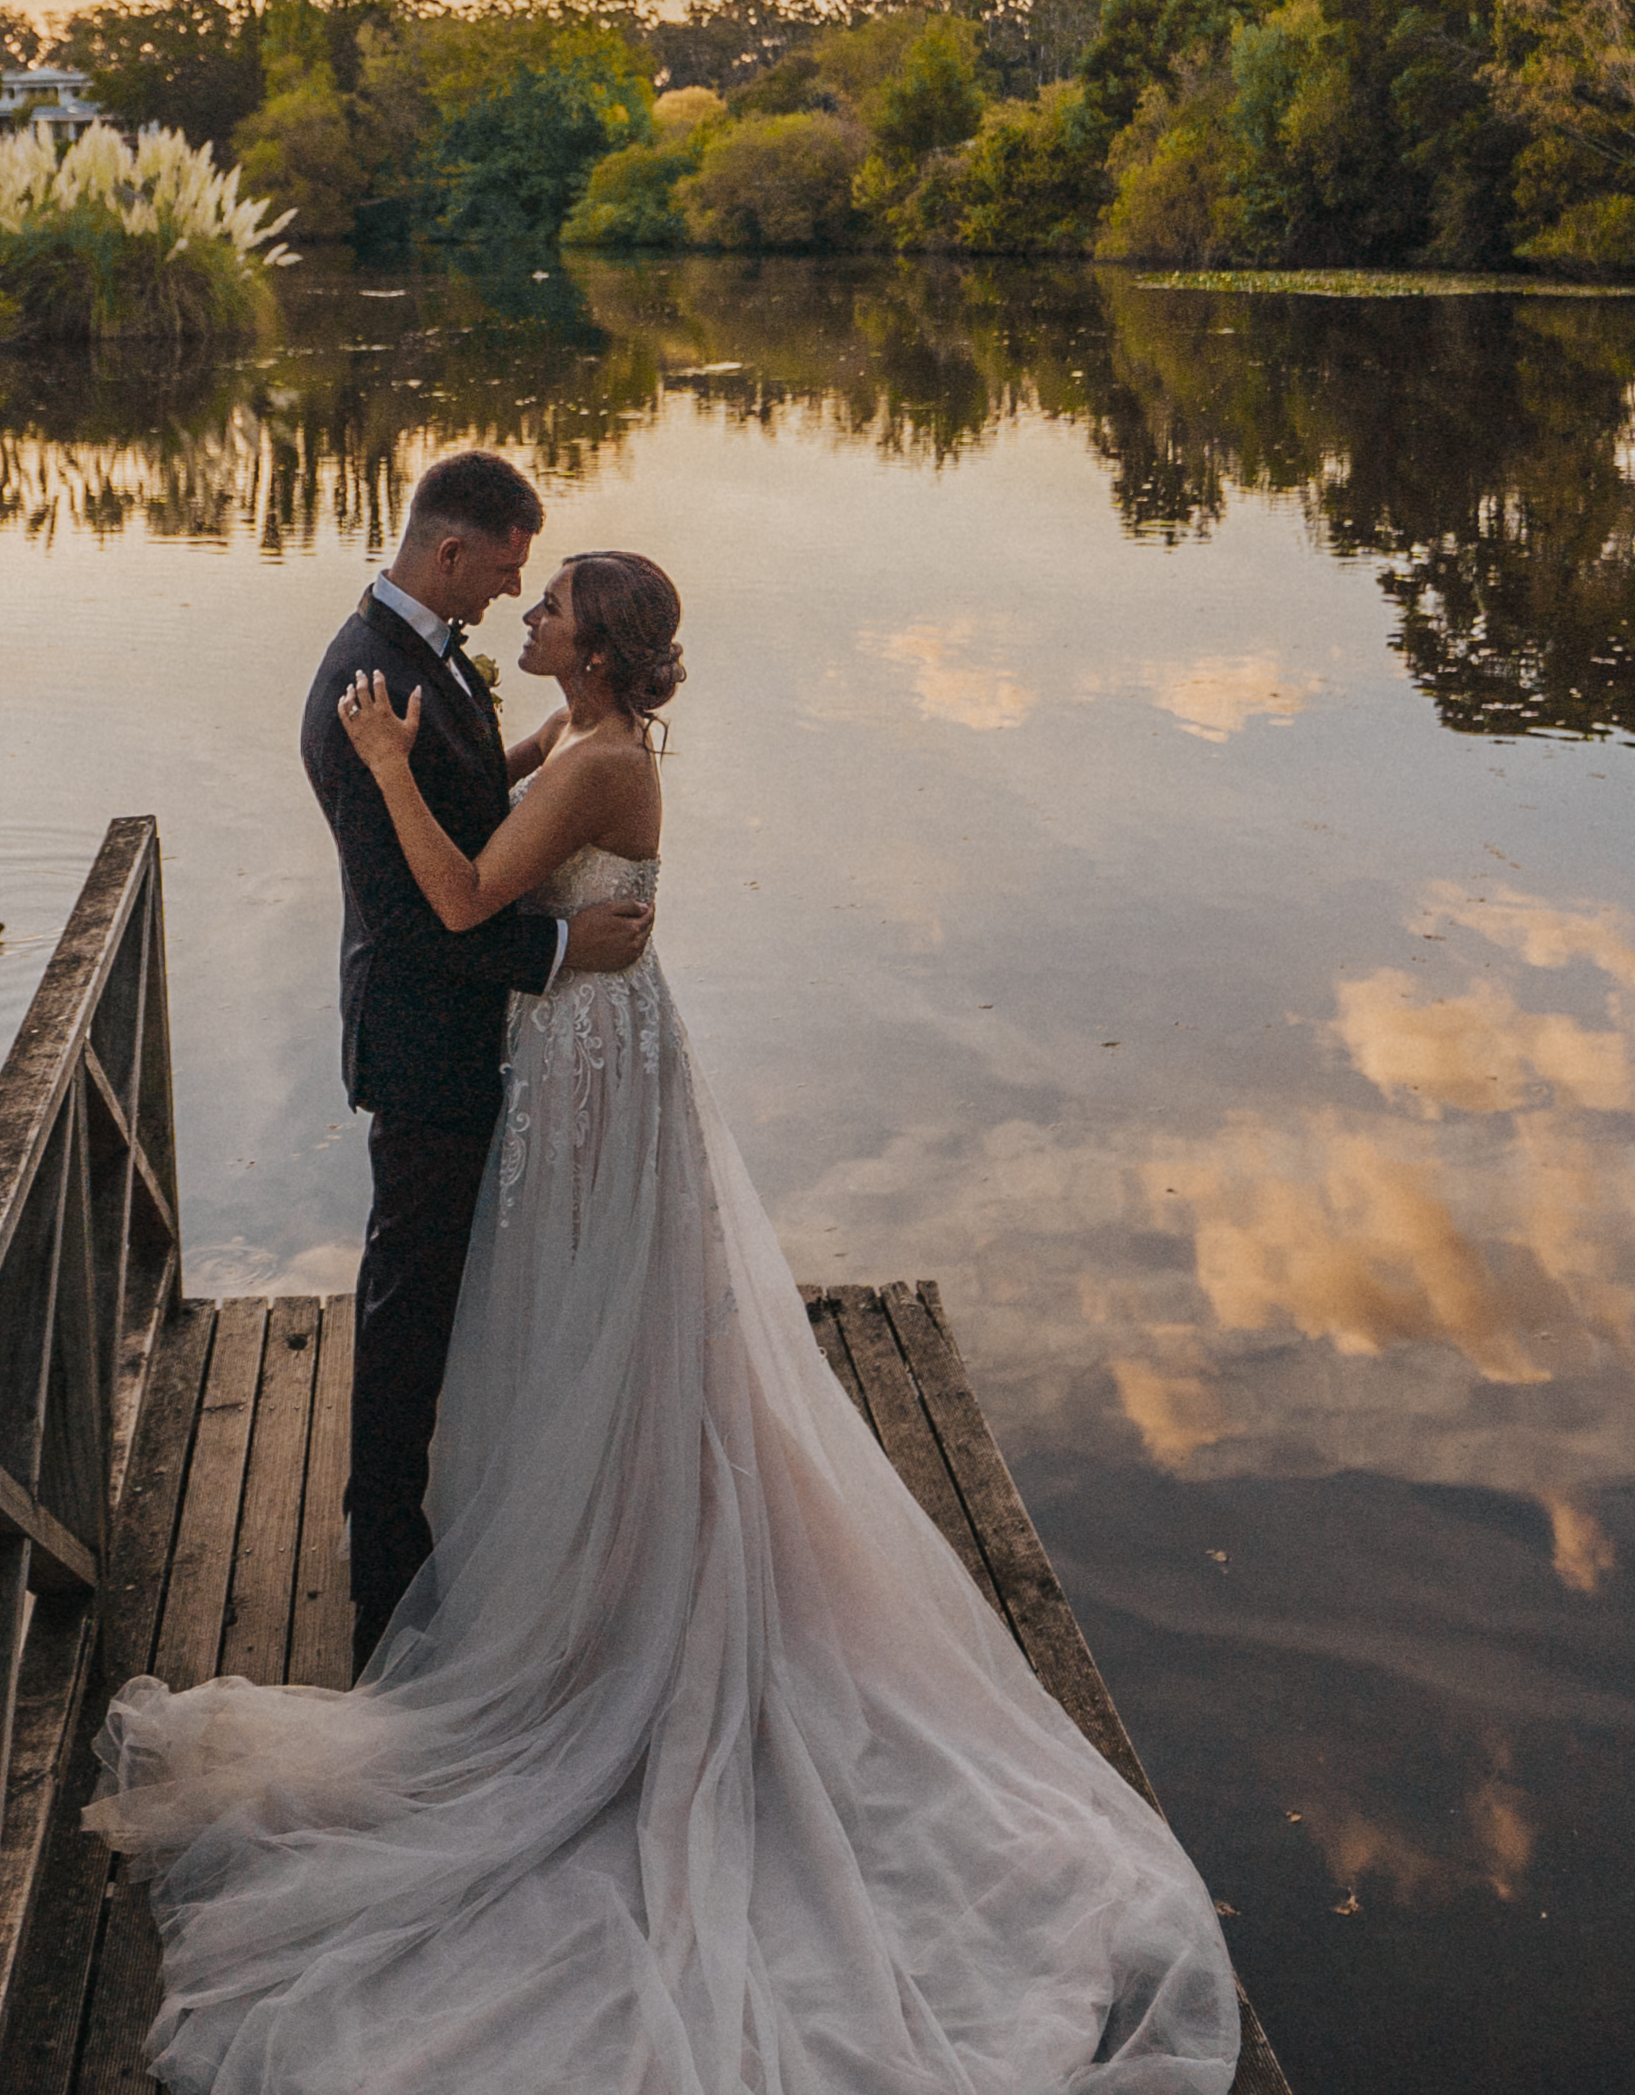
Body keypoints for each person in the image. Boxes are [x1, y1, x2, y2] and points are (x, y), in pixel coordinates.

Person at [98, 546, 1247, 2093]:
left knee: (601, 1315)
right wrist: (435, 748)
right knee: (605, 1322)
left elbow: (461, 892)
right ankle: (614, 1555)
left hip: (589, 1063)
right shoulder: (580, 737)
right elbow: (495, 787)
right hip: (590, 1046)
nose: (527, 615)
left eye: (550, 609)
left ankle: (623, 1594)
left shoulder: (599, 766)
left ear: (592, 649)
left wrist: (376, 764)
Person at [299, 449, 653, 1646]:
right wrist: (557, 950)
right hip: (422, 1038)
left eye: (534, 587)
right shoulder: (361, 685)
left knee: (463, 1288)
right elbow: (412, 913)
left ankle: (489, 1518)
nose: (513, 593)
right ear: (450, 551)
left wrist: (542, 749)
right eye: (507, 570)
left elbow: (467, 806)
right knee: (409, 1306)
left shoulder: (427, 655)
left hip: (480, 1033)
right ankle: (385, 1575)